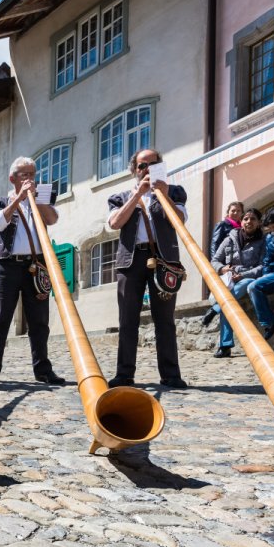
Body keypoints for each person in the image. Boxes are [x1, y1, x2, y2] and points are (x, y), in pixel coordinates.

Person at [107, 148, 187, 388]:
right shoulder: (120, 196)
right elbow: (114, 223)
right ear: (134, 170)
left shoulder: (174, 191)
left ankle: (171, 375)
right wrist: (137, 195)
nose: (148, 169)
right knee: (127, 319)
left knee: (165, 319)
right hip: (131, 261)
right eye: (142, 165)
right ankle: (124, 374)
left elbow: (179, 220)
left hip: (164, 259)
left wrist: (164, 194)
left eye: (153, 164)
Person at [0, 157, 64, 385]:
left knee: (39, 321)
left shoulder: (42, 197)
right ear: (13, 178)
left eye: (32, 174)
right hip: (7, 266)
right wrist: (19, 199)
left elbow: (53, 219)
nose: (29, 179)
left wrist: (36, 201)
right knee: (0, 320)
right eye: (24, 175)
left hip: (36, 267)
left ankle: (43, 370)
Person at [207, 208, 265, 356]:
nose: (249, 222)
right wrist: (223, 269)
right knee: (229, 302)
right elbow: (214, 260)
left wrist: (243, 274)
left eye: (253, 219)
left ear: (258, 223)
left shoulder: (263, 241)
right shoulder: (230, 238)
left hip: (248, 279)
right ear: (242, 221)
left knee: (241, 289)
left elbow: (262, 266)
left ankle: (216, 310)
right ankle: (225, 345)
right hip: (229, 280)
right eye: (246, 219)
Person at [248, 207, 274, 339]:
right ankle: (270, 323)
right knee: (253, 286)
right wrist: (266, 275)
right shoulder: (270, 238)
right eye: (271, 227)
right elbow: (268, 261)